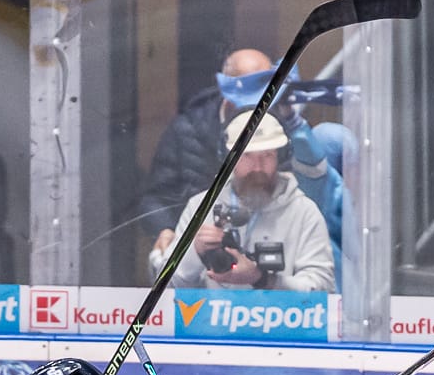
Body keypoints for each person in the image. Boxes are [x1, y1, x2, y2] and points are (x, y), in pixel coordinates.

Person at [135, 48, 347, 273]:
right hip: (200, 257)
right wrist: (165, 229)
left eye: (266, 156)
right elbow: (156, 197)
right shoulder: (187, 130)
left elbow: (312, 191)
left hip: (275, 258)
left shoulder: (280, 132)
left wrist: (293, 123)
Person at [156, 113, 336, 292]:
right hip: (210, 319)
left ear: (280, 157)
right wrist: (194, 252)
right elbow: (166, 288)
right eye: (247, 156)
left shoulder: (303, 211)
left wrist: (262, 279)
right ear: (230, 158)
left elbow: (322, 290)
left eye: (267, 155)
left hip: (281, 319)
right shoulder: (201, 207)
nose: (258, 168)